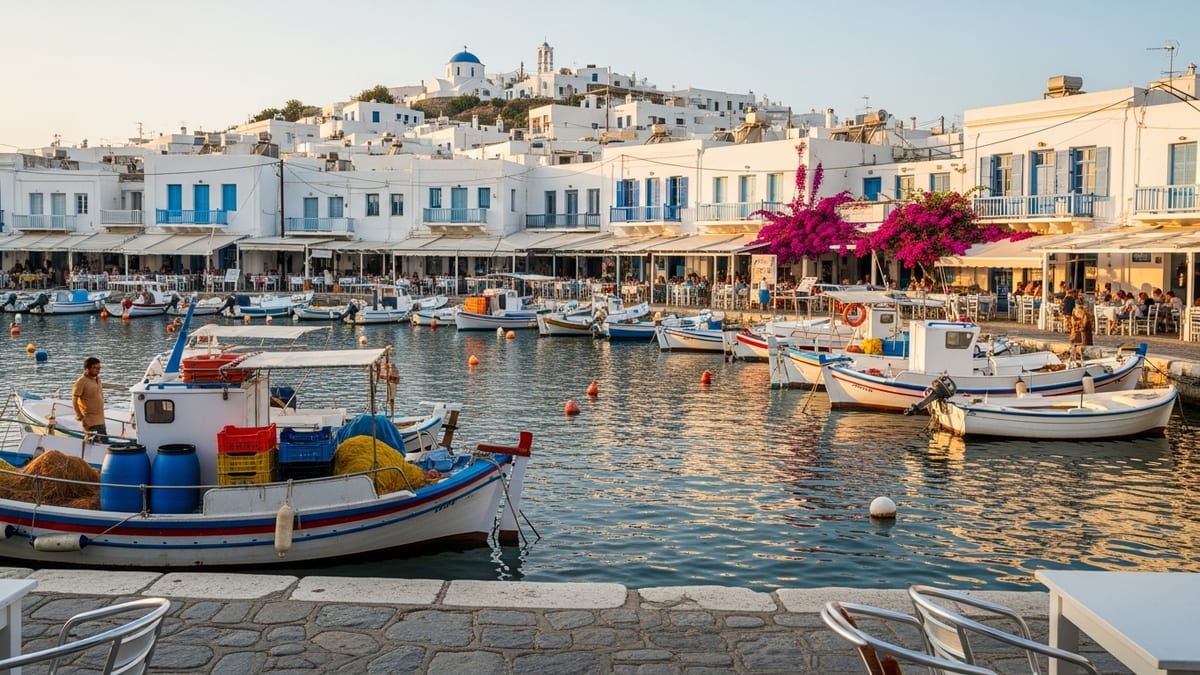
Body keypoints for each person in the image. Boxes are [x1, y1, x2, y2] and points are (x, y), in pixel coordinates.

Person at [72, 356, 106, 443]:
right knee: (93, 444)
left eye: (99, 368)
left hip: (100, 419)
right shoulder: (81, 381)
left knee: (104, 443)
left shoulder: (98, 379)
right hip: (89, 421)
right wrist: (79, 416)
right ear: (87, 368)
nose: (98, 370)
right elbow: (74, 400)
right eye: (95, 368)